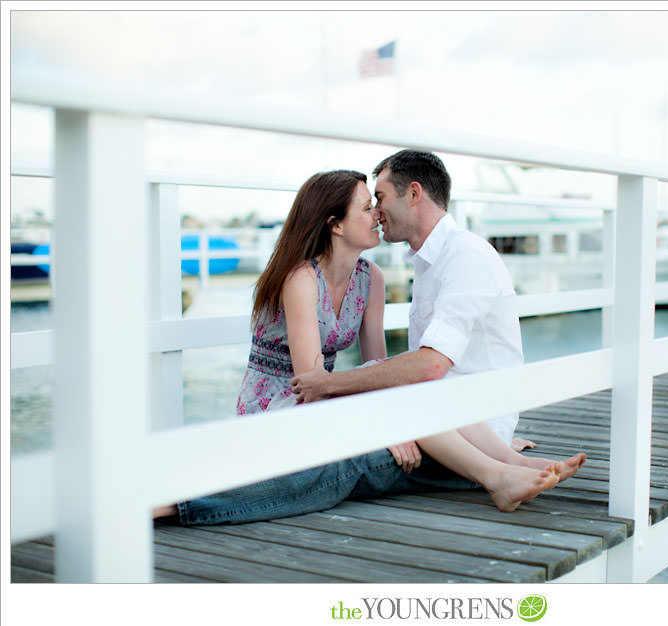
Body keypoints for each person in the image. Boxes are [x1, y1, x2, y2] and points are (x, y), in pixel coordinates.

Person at [154, 166, 583, 525]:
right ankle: (496, 472)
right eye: (367, 206)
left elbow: (377, 361)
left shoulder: (370, 279)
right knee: (401, 399)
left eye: (377, 202)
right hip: (283, 403)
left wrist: (392, 417)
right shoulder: (301, 280)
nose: (377, 214)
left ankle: (508, 462)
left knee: (417, 382)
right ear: (335, 224)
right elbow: (308, 383)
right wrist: (386, 421)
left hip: (330, 395)